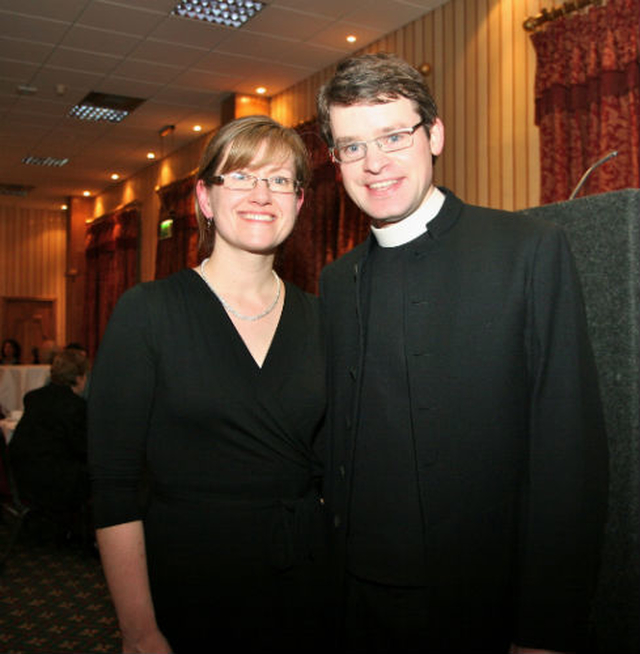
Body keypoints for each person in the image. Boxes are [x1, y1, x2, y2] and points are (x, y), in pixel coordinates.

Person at [316, 53, 609, 654]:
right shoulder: (335, 281)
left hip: (483, 606)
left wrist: (545, 628)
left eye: (394, 136)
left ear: (435, 135)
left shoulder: (527, 250)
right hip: (357, 602)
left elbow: (567, 450)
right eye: (351, 146)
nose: (374, 164)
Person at [88, 115, 328, 653]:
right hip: (189, 591)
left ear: (300, 202)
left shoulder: (325, 319)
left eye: (280, 180)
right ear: (204, 197)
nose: (261, 194)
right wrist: (139, 630)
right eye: (240, 177)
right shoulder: (147, 313)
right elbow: (114, 486)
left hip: (308, 589)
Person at [9, 349, 89, 518]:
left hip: (22, 478)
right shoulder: (76, 406)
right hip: (54, 484)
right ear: (79, 378)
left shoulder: (34, 398)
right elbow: (82, 449)